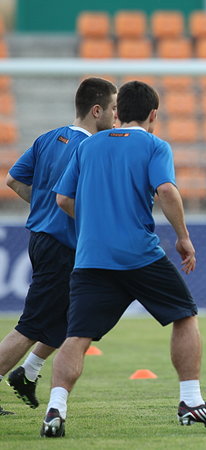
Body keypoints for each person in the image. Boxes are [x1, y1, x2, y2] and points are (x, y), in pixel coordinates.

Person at [45, 80, 206, 437]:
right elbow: (165, 191)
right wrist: (183, 238)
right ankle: (190, 401)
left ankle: (56, 406)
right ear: (153, 114)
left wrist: (97, 222)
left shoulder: (88, 146)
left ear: (117, 112)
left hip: (92, 257)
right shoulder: (154, 145)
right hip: (138, 255)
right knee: (185, 316)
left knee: (77, 336)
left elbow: (62, 200)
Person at [0, 78, 117, 416]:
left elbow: (14, 179)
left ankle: (29, 372)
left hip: (42, 238)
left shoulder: (48, 138)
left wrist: (43, 209)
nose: (115, 115)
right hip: (62, 246)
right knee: (31, 325)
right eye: (112, 108)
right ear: (97, 111)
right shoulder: (91, 148)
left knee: (74, 318)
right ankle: (25, 369)